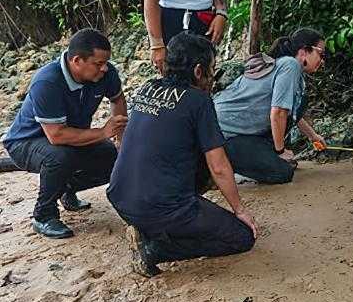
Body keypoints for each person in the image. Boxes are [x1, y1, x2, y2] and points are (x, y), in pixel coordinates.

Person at [107, 33, 258, 277]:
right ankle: (154, 249)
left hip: (120, 197)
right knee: (241, 237)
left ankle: (155, 227)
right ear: (199, 71)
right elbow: (218, 166)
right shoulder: (199, 101)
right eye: (211, 70)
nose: (212, 78)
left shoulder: (148, 88)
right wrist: (239, 210)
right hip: (158, 206)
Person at [3, 29, 127, 239]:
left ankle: (66, 189)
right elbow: (56, 136)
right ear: (77, 60)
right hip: (27, 142)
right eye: (98, 64)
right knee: (60, 156)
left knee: (114, 157)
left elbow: (117, 99)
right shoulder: (47, 81)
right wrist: (103, 132)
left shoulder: (105, 73)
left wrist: (122, 141)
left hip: (69, 136)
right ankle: (44, 215)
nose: (104, 68)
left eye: (106, 62)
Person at [213, 28, 327, 184]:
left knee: (302, 103)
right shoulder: (290, 65)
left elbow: (290, 111)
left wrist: (313, 136)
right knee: (282, 173)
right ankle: (220, 162)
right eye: (321, 54)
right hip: (224, 133)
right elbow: (279, 112)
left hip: (240, 131)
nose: (322, 60)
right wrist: (280, 152)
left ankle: (255, 156)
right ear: (304, 51)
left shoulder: (291, 70)